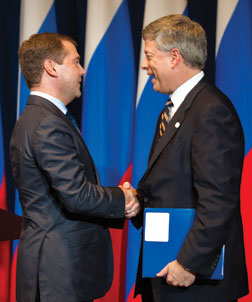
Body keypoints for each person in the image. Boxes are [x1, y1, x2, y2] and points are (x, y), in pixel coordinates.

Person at [10, 32, 139, 302]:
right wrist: (123, 198)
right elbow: (76, 195)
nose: (82, 70)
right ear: (51, 67)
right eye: (76, 62)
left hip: (56, 271)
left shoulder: (41, 117)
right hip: (57, 274)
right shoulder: (47, 123)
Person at [130, 14, 249, 302]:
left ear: (174, 57)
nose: (144, 66)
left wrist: (189, 263)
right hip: (165, 270)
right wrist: (138, 200)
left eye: (149, 56)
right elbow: (174, 184)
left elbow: (218, 200)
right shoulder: (173, 110)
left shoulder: (210, 111)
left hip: (193, 281)